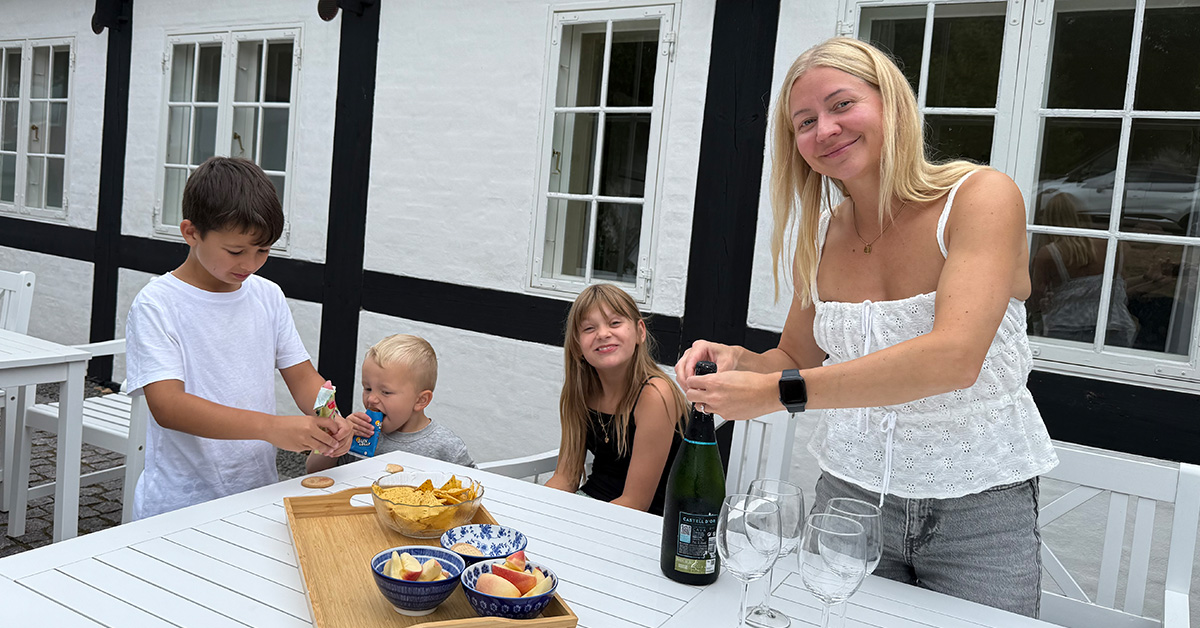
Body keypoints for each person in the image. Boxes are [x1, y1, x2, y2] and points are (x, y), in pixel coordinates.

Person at [675, 38, 1057, 617]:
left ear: (890, 104)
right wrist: (739, 363)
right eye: (804, 122)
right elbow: (793, 355)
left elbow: (954, 357)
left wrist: (779, 393)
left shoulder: (979, 196)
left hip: (979, 508)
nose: (824, 129)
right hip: (848, 498)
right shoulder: (823, 231)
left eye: (841, 104)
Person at [125, 157, 353, 520]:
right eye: (236, 251)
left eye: (263, 251)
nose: (250, 263)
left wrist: (330, 417)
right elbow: (168, 406)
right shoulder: (158, 303)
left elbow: (304, 378)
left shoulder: (267, 296)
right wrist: (272, 427)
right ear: (191, 232)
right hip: (179, 504)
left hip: (257, 492)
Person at [545, 284, 688, 515]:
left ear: (640, 331)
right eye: (589, 328)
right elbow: (566, 477)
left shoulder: (655, 395)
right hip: (594, 503)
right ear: (577, 346)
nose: (603, 334)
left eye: (615, 323)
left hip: (651, 522)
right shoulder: (580, 392)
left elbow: (635, 502)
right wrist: (535, 512)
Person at [306, 334, 474, 472]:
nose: (371, 399)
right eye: (367, 388)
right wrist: (337, 439)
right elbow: (313, 472)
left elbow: (475, 489)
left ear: (420, 400)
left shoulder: (445, 446)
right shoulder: (358, 431)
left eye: (385, 392)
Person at [1029, 191, 1138, 345]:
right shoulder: (1115, 245)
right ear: (1083, 214)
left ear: (1047, 220)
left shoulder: (1048, 254)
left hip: (1064, 326)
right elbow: (1117, 288)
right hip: (1113, 325)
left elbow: (1034, 300)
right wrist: (1146, 281)